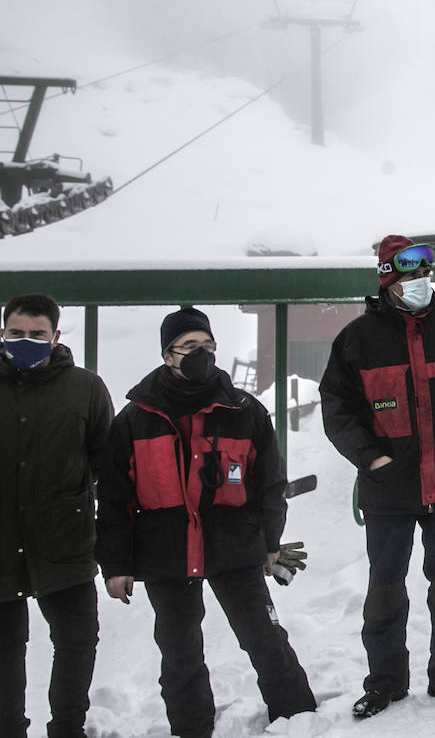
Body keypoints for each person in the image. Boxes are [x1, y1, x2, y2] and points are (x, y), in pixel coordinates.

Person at [96, 306, 316, 738]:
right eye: (190, 347)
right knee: (179, 654)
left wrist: (270, 542)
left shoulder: (243, 410)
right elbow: (115, 499)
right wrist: (116, 564)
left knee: (265, 638)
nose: (202, 354)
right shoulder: (134, 420)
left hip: (235, 547)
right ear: (168, 355)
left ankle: (299, 720)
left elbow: (270, 482)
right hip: (165, 553)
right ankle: (191, 729)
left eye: (208, 346)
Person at [321, 235, 435, 719]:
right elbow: (337, 409)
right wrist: (370, 459)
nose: (422, 283)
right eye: (411, 276)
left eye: (425, 274)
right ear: (388, 281)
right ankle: (385, 683)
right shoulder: (357, 340)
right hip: (388, 492)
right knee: (384, 592)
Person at [0, 293, 114, 738]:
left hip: (64, 541)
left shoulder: (84, 387)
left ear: (55, 337)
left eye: (36, 335)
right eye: (16, 333)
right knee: (6, 649)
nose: (24, 341)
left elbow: (107, 463)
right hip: (1, 545)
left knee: (77, 641)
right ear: (3, 332)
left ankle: (67, 728)